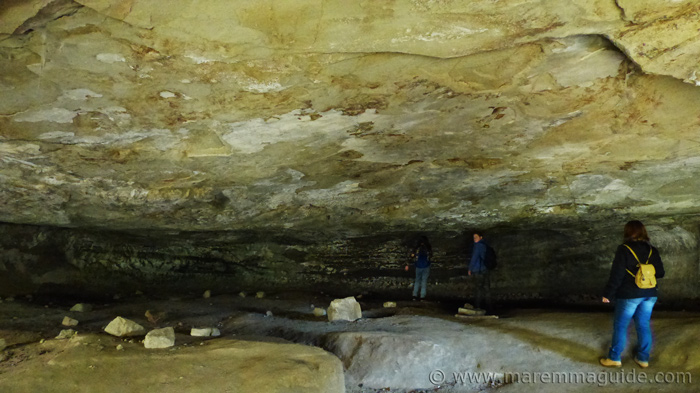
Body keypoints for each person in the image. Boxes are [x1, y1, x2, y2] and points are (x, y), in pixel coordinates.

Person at [600, 220, 665, 368]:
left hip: (629, 295)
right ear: (644, 232)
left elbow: (617, 275)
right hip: (650, 293)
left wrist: (608, 294)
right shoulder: (652, 250)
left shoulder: (624, 249)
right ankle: (643, 359)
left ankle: (614, 358)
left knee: (621, 326)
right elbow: (660, 273)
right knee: (643, 325)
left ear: (627, 232)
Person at [468, 231, 492, 313]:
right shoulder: (485, 245)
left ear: (480, 237)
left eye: (476, 237)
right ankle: (489, 307)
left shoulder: (478, 246)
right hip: (486, 269)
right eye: (474, 237)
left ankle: (478, 306)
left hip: (478, 270)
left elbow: (474, 258)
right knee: (487, 288)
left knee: (478, 288)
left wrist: (470, 269)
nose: (474, 239)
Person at [405, 236, 432, 300]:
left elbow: (411, 256)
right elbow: (431, 256)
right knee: (424, 281)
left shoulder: (417, 249)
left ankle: (414, 295)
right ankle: (422, 296)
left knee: (417, 280)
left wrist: (407, 264)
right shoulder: (428, 248)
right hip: (426, 267)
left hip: (418, 267)